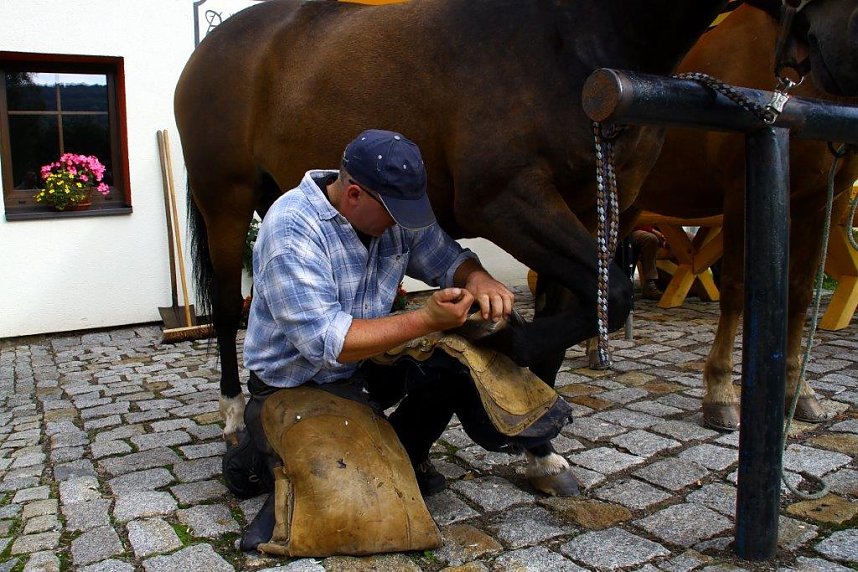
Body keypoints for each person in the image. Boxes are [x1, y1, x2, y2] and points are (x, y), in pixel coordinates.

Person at [233, 129, 577, 555]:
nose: (402, 224)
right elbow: (327, 341)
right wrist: (424, 318)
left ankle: (409, 450)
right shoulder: (291, 229)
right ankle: (252, 458)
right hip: (297, 384)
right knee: (353, 498)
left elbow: (447, 258)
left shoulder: (390, 208)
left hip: (363, 367)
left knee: (457, 355)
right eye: (394, 213)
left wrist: (479, 279)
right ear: (354, 194)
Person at [631, 225, 665, 300]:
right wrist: (652, 230)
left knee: (690, 238)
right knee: (650, 238)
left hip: (663, 229)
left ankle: (688, 286)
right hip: (635, 229)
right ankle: (650, 284)